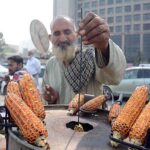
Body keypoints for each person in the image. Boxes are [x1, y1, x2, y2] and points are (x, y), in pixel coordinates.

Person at [42, 12, 126, 105]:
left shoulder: (91, 57)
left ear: (76, 34)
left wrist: (104, 46)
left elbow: (114, 77)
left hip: (91, 119)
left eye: (67, 32)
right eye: (57, 33)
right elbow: (45, 102)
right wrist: (50, 99)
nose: (62, 39)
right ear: (50, 38)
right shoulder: (50, 65)